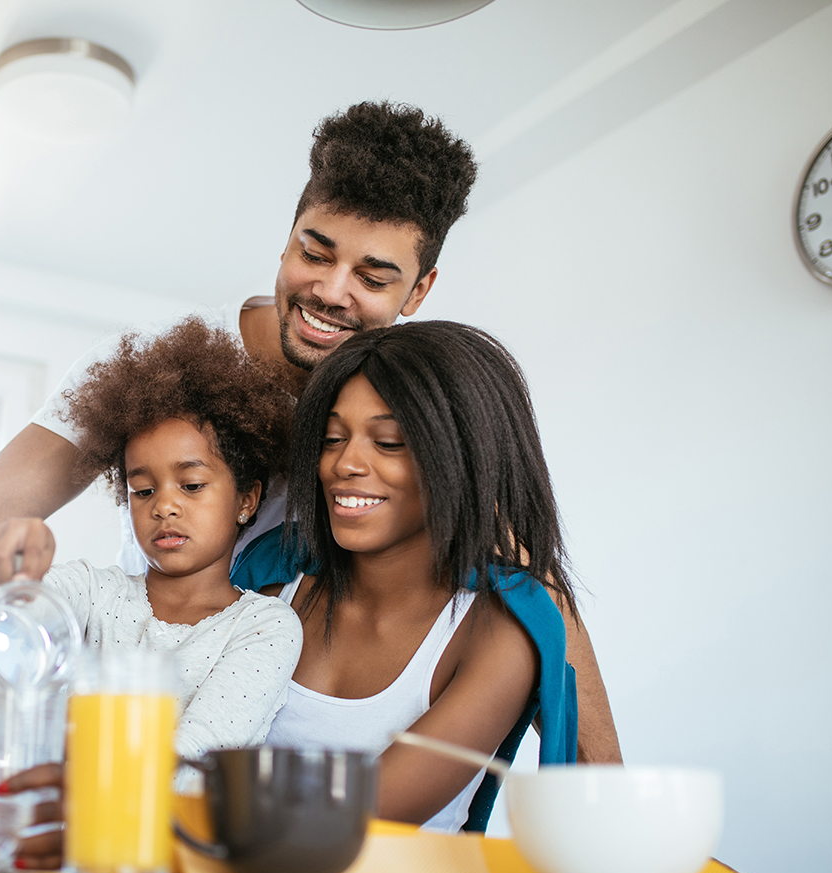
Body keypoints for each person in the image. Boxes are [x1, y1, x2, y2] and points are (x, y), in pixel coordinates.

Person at [0, 102, 622, 862]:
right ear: (288, 235)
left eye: (373, 275)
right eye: (313, 253)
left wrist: (616, 825)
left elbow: (537, 599)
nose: (330, 291)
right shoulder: (155, 369)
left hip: (200, 806)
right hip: (139, 745)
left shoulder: (418, 422)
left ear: (417, 293)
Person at [238, 321, 579, 832]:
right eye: (332, 437)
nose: (346, 463)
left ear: (465, 457)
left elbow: (360, 818)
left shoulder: (496, 634)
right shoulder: (270, 577)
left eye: (390, 442)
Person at [0, 319, 302, 759]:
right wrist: (10, 572)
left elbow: (194, 756)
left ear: (246, 499)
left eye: (191, 485)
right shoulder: (92, 594)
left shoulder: (265, 627)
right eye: (143, 490)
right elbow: (5, 616)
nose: (163, 506)